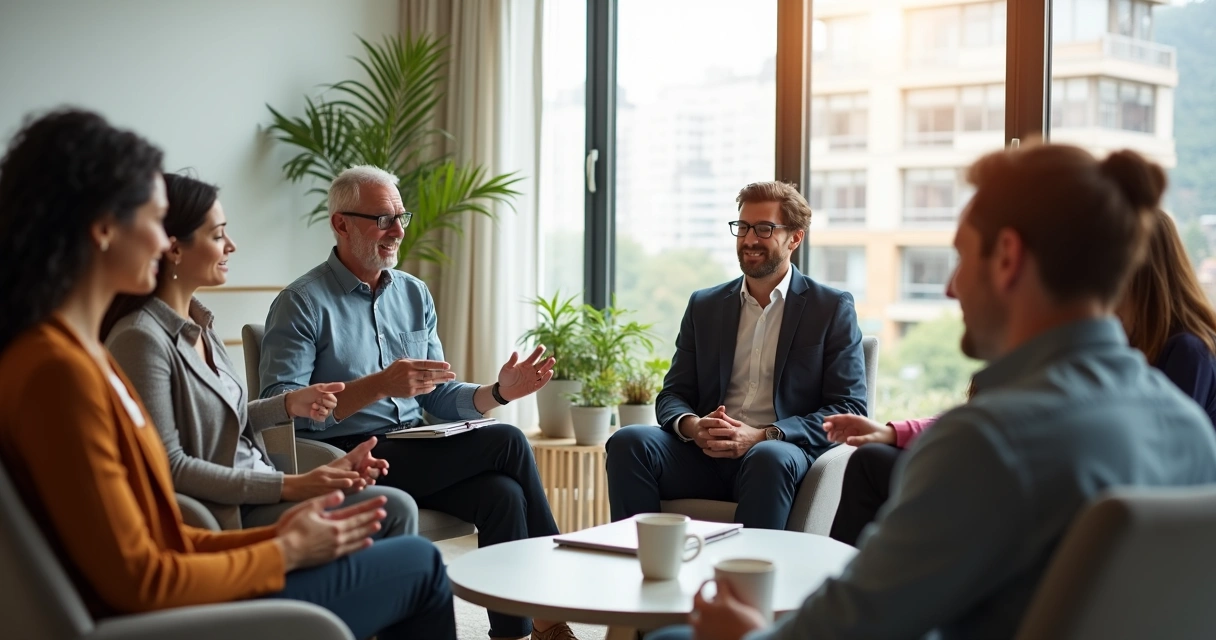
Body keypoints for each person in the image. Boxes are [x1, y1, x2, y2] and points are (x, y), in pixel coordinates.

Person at [648, 143, 1216, 640]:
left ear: (1008, 258)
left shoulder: (990, 441)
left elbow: (852, 624)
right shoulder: (1190, 432)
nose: (951, 286)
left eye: (961, 256)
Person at [0, 109, 454, 639]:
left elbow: (165, 539)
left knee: (408, 547)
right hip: (166, 617)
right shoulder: (61, 372)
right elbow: (142, 579)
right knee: (420, 565)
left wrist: (277, 537)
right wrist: (283, 546)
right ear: (103, 228)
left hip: (192, 580)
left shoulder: (80, 356)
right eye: (154, 219)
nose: (163, 240)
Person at [257, 164, 577, 640]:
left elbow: (438, 393)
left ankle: (515, 634)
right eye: (383, 219)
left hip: (414, 447)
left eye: (401, 216)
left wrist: (499, 392)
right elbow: (278, 408)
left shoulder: (413, 293)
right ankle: (553, 596)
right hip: (349, 454)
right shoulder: (301, 302)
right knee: (508, 440)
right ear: (340, 224)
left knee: (502, 496)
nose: (398, 230)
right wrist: (380, 385)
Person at [827, 206, 1216, 546]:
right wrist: (896, 432)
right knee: (873, 461)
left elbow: (1155, 468)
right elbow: (997, 420)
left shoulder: (1184, 352)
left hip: (1077, 506)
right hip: (1059, 492)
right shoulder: (1108, 346)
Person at [102, 172, 418, 536]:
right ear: (174, 249)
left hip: (265, 486)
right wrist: (296, 484)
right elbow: (169, 467)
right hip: (236, 511)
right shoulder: (140, 339)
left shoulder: (200, 323)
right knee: (397, 512)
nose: (231, 246)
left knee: (407, 510)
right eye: (218, 235)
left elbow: (222, 419)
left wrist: (287, 405)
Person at [604, 181, 868, 530]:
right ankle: (642, 563)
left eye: (764, 228)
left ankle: (748, 582)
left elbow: (848, 408)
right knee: (628, 442)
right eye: (742, 227)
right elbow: (673, 394)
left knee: (766, 458)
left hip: (778, 453)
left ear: (795, 238)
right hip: (703, 456)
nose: (749, 239)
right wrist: (693, 426)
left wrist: (763, 435)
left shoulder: (831, 308)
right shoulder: (705, 305)